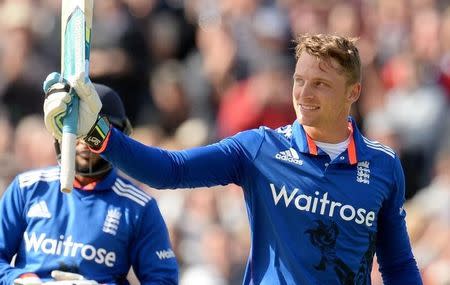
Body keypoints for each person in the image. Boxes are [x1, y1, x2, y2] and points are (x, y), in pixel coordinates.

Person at [42, 34, 423, 284]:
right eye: (299, 80)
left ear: (353, 92)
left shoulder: (383, 167)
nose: (304, 93)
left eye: (321, 84)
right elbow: (168, 170)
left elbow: (398, 266)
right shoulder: (259, 149)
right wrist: (99, 133)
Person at [0, 83, 178, 285]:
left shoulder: (138, 206)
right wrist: (20, 279)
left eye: (93, 133)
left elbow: (163, 280)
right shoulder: (27, 188)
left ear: (119, 135)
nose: (84, 143)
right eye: (76, 131)